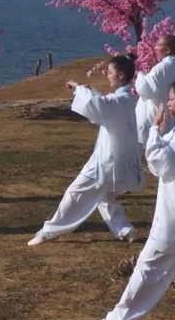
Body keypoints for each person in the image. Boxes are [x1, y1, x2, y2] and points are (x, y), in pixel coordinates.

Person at [86, 77, 175, 320]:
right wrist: (162, 131)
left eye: (171, 99)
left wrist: (154, 129)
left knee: (147, 267)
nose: (167, 103)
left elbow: (162, 163)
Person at [28, 55, 143, 246]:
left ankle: (49, 230)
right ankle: (125, 230)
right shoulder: (124, 98)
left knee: (75, 191)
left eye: (110, 72)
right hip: (116, 157)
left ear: (121, 75)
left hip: (106, 160)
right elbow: (103, 106)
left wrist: (80, 89)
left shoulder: (120, 100)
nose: (107, 75)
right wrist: (84, 90)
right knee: (105, 197)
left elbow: (100, 106)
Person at [134, 34, 175, 147]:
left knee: (154, 149)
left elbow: (144, 89)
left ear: (167, 49)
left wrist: (140, 74)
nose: (155, 48)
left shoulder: (160, 68)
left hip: (157, 114)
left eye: (158, 45)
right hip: (171, 115)